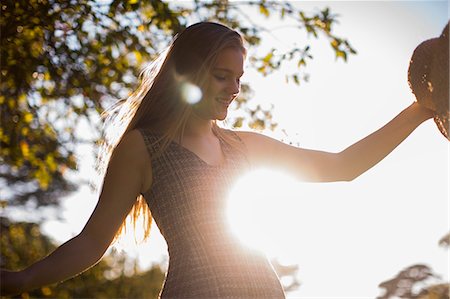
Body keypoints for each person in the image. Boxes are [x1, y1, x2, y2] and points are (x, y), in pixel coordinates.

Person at [0, 22, 435, 298]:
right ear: (187, 74)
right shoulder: (143, 148)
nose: (234, 89)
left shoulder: (243, 147)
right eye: (222, 75)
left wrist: (420, 110)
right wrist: (21, 279)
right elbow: (93, 243)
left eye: (239, 79)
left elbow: (343, 166)